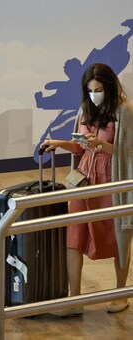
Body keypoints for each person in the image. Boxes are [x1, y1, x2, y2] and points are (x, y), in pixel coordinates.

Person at [41, 62, 133, 316]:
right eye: (90, 90)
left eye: (99, 89)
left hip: (111, 179)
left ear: (110, 87)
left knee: (118, 236)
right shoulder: (84, 110)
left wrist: (102, 146)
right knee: (74, 235)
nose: (94, 95)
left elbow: (128, 153)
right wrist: (61, 143)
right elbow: (80, 146)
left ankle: (120, 293)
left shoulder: (124, 111)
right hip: (85, 178)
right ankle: (75, 298)